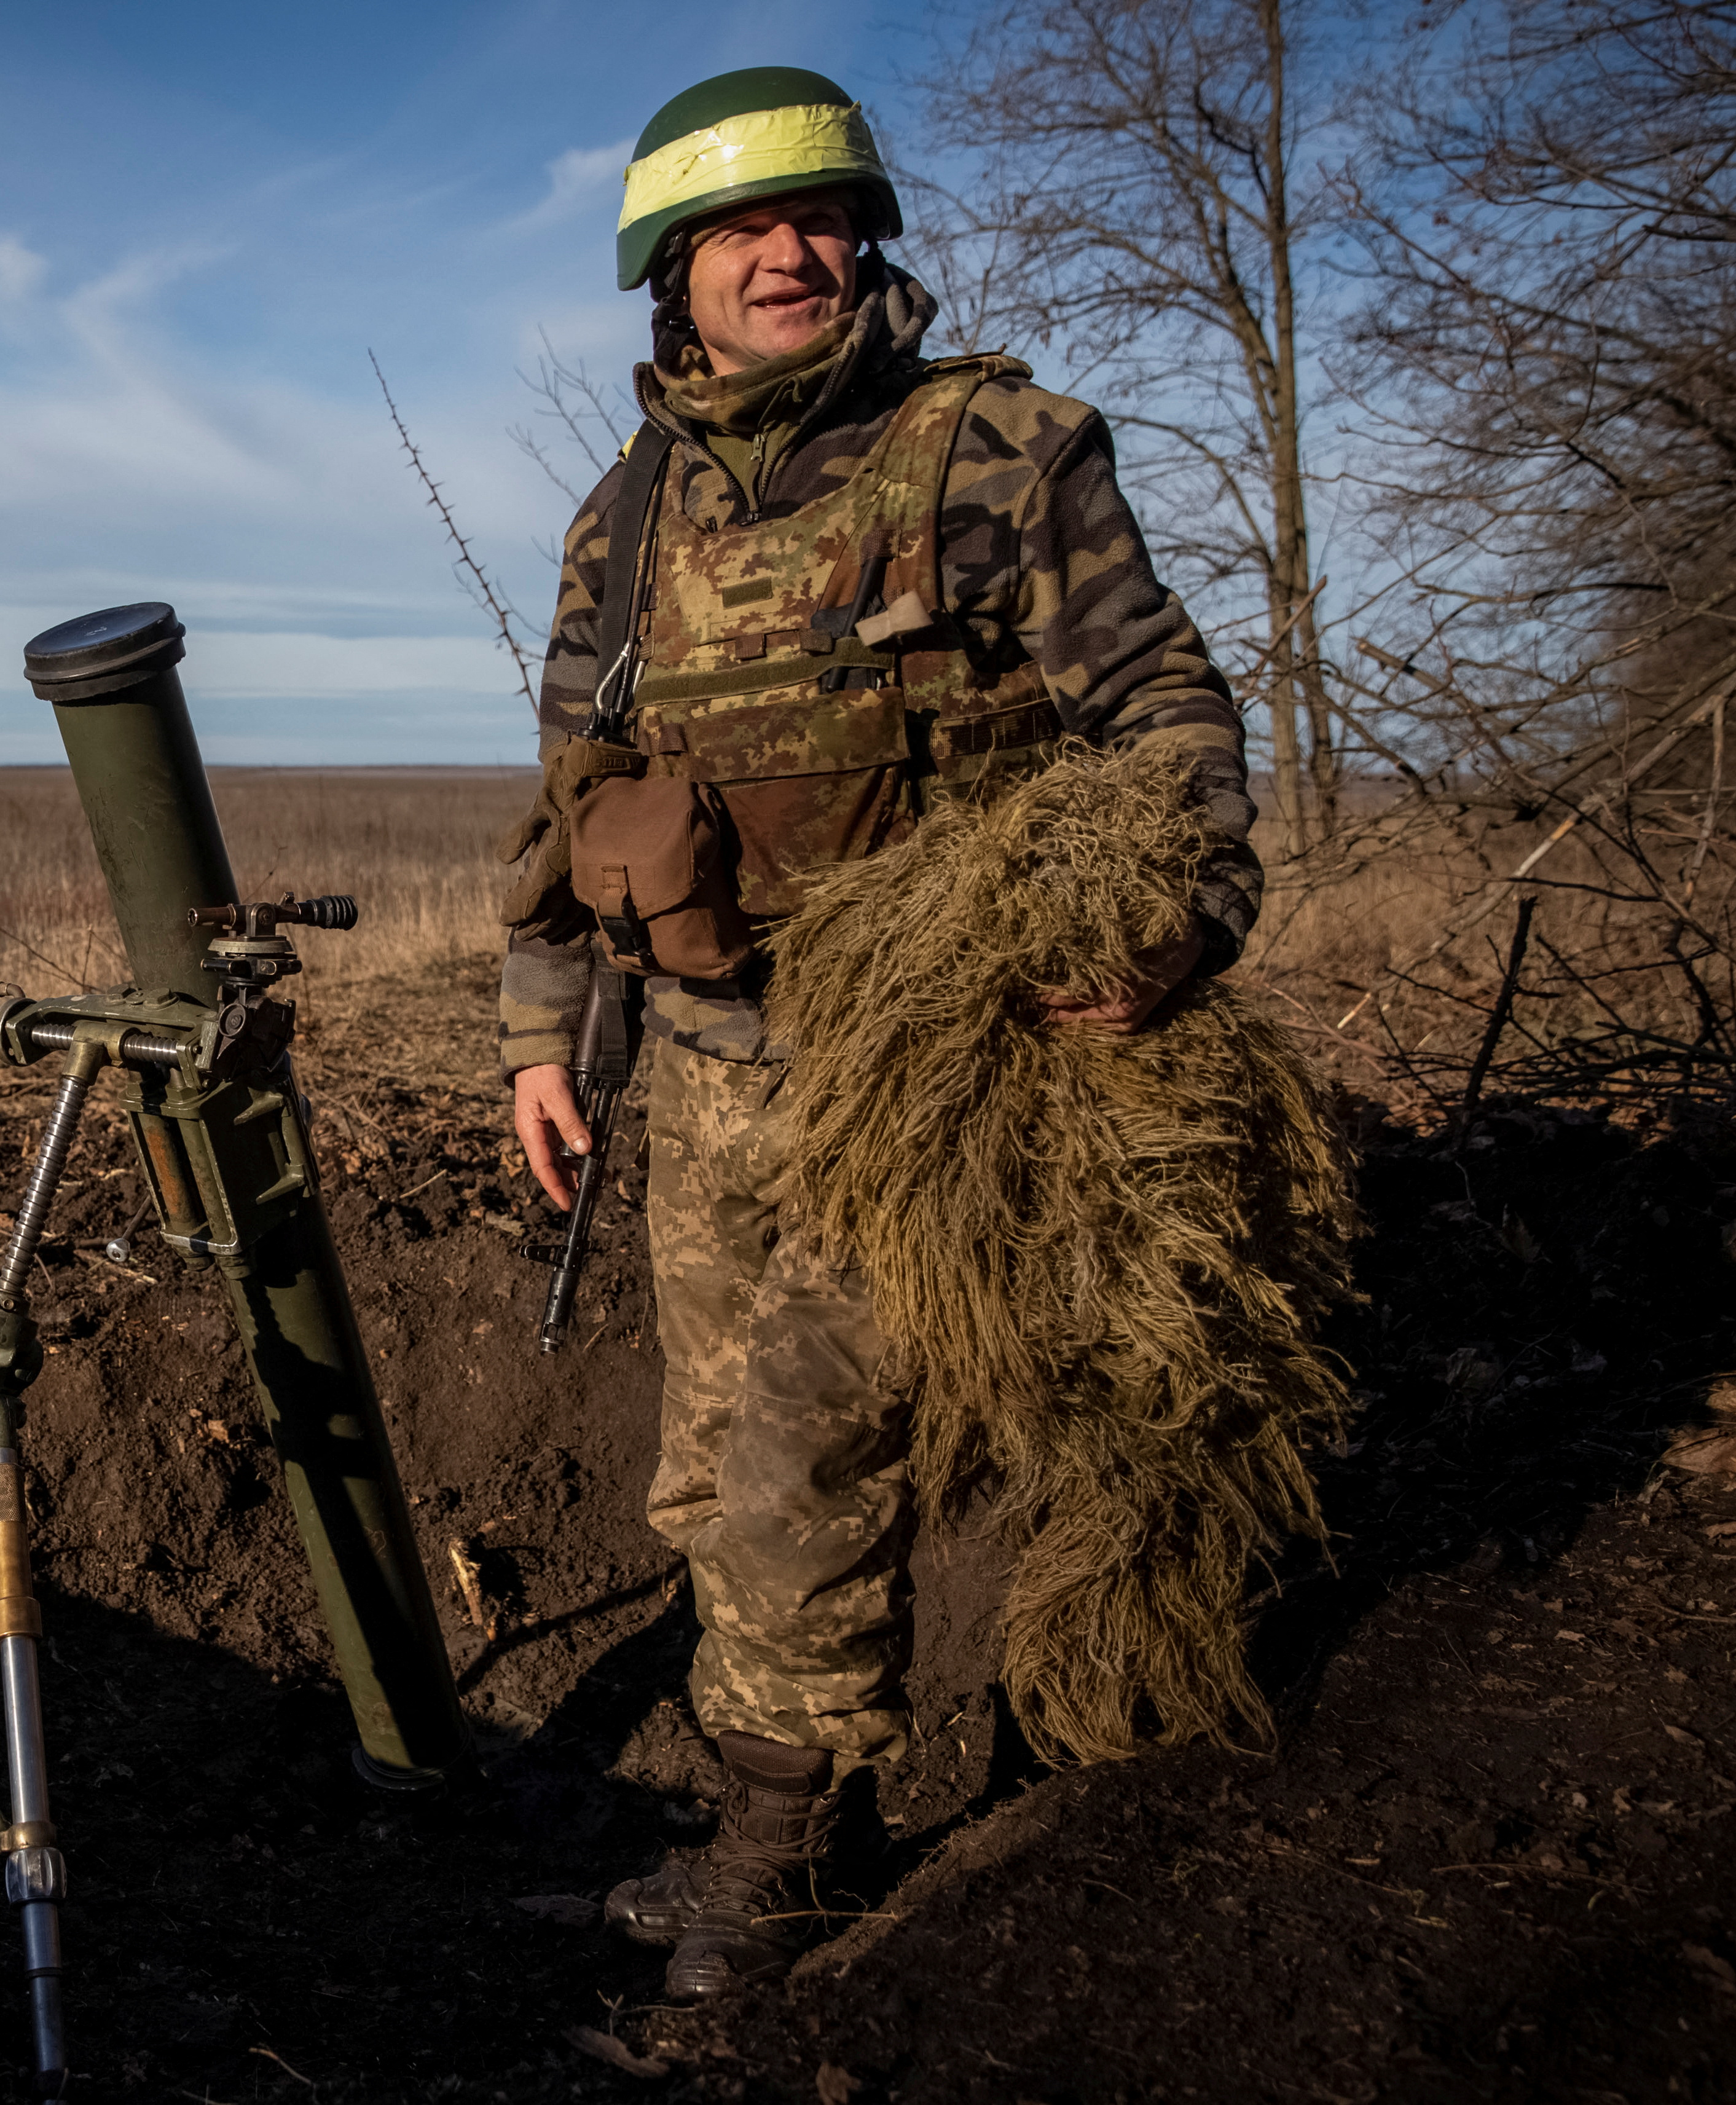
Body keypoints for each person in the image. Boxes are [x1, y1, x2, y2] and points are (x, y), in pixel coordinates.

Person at [495, 66, 1262, 2001]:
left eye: (820, 218)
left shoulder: (998, 447)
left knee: (803, 1467)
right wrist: (544, 1037)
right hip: (703, 1064)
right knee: (701, 1476)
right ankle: (804, 1815)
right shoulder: (630, 510)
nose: (787, 253)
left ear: (868, 241)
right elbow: (581, 789)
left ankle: (772, 1860)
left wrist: (1176, 919)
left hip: (932, 1080)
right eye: (738, 231)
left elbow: (1163, 711)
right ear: (669, 277)